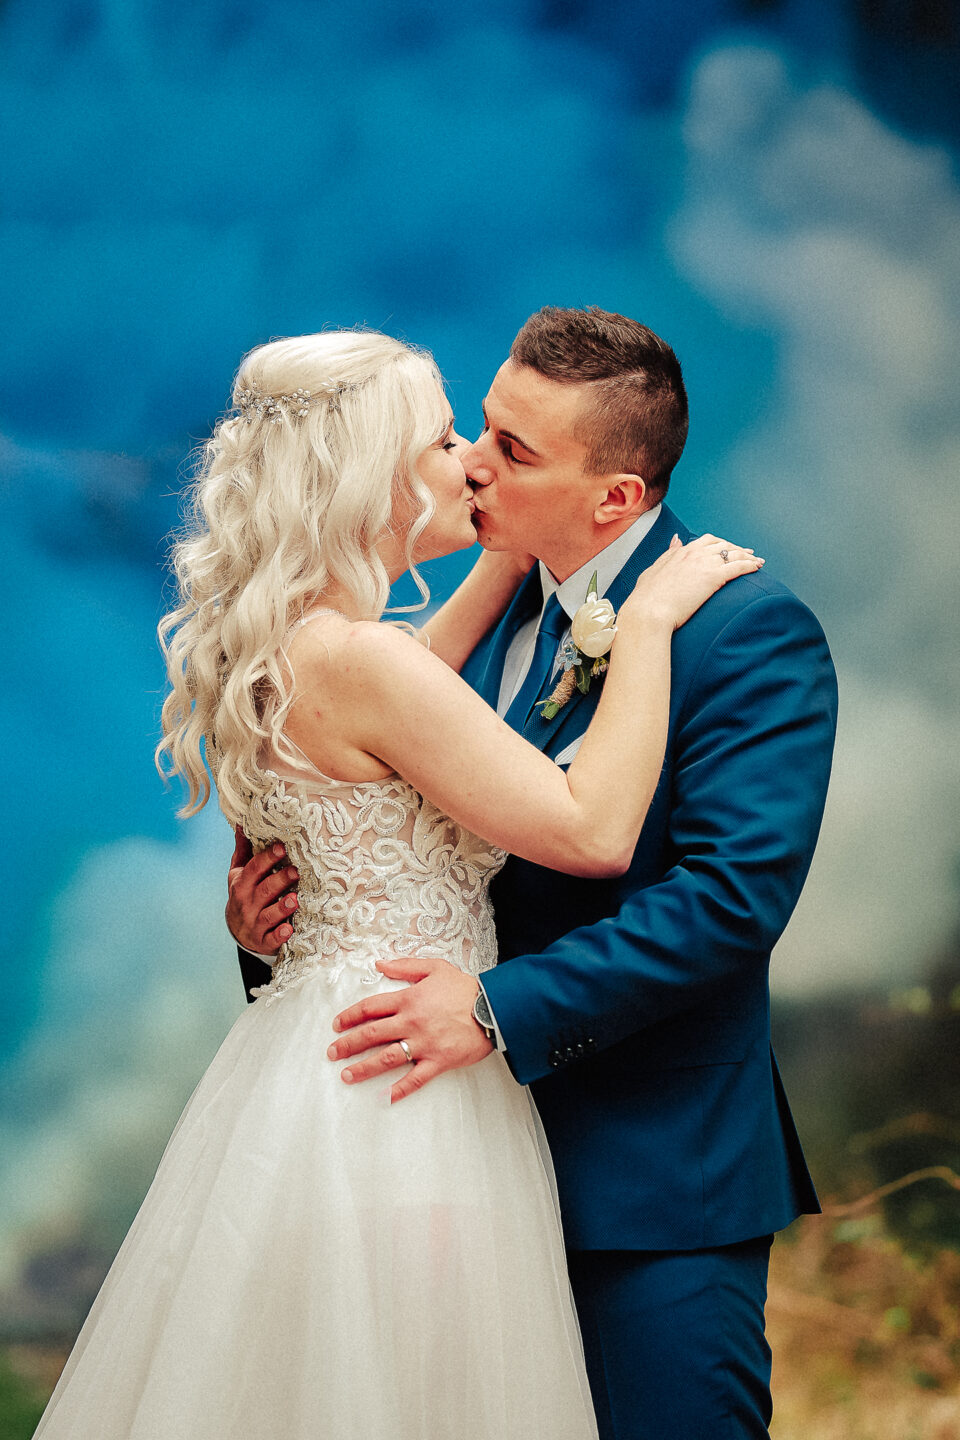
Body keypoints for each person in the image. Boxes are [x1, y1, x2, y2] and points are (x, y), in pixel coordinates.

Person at [34, 329, 759, 1440]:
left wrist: (505, 561)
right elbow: (592, 829)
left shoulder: (279, 645)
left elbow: (410, 697)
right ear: (374, 477)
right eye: (445, 441)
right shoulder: (361, 661)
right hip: (405, 1079)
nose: (471, 461)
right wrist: (651, 621)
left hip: (308, 1066)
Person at [231, 307, 839, 1440]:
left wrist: (496, 1010)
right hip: (431, 1165)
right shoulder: (454, 621)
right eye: (480, 427)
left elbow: (729, 901)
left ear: (614, 497)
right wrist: (276, 921)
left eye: (512, 450)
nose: (473, 462)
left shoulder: (743, 632)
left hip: (646, 1178)